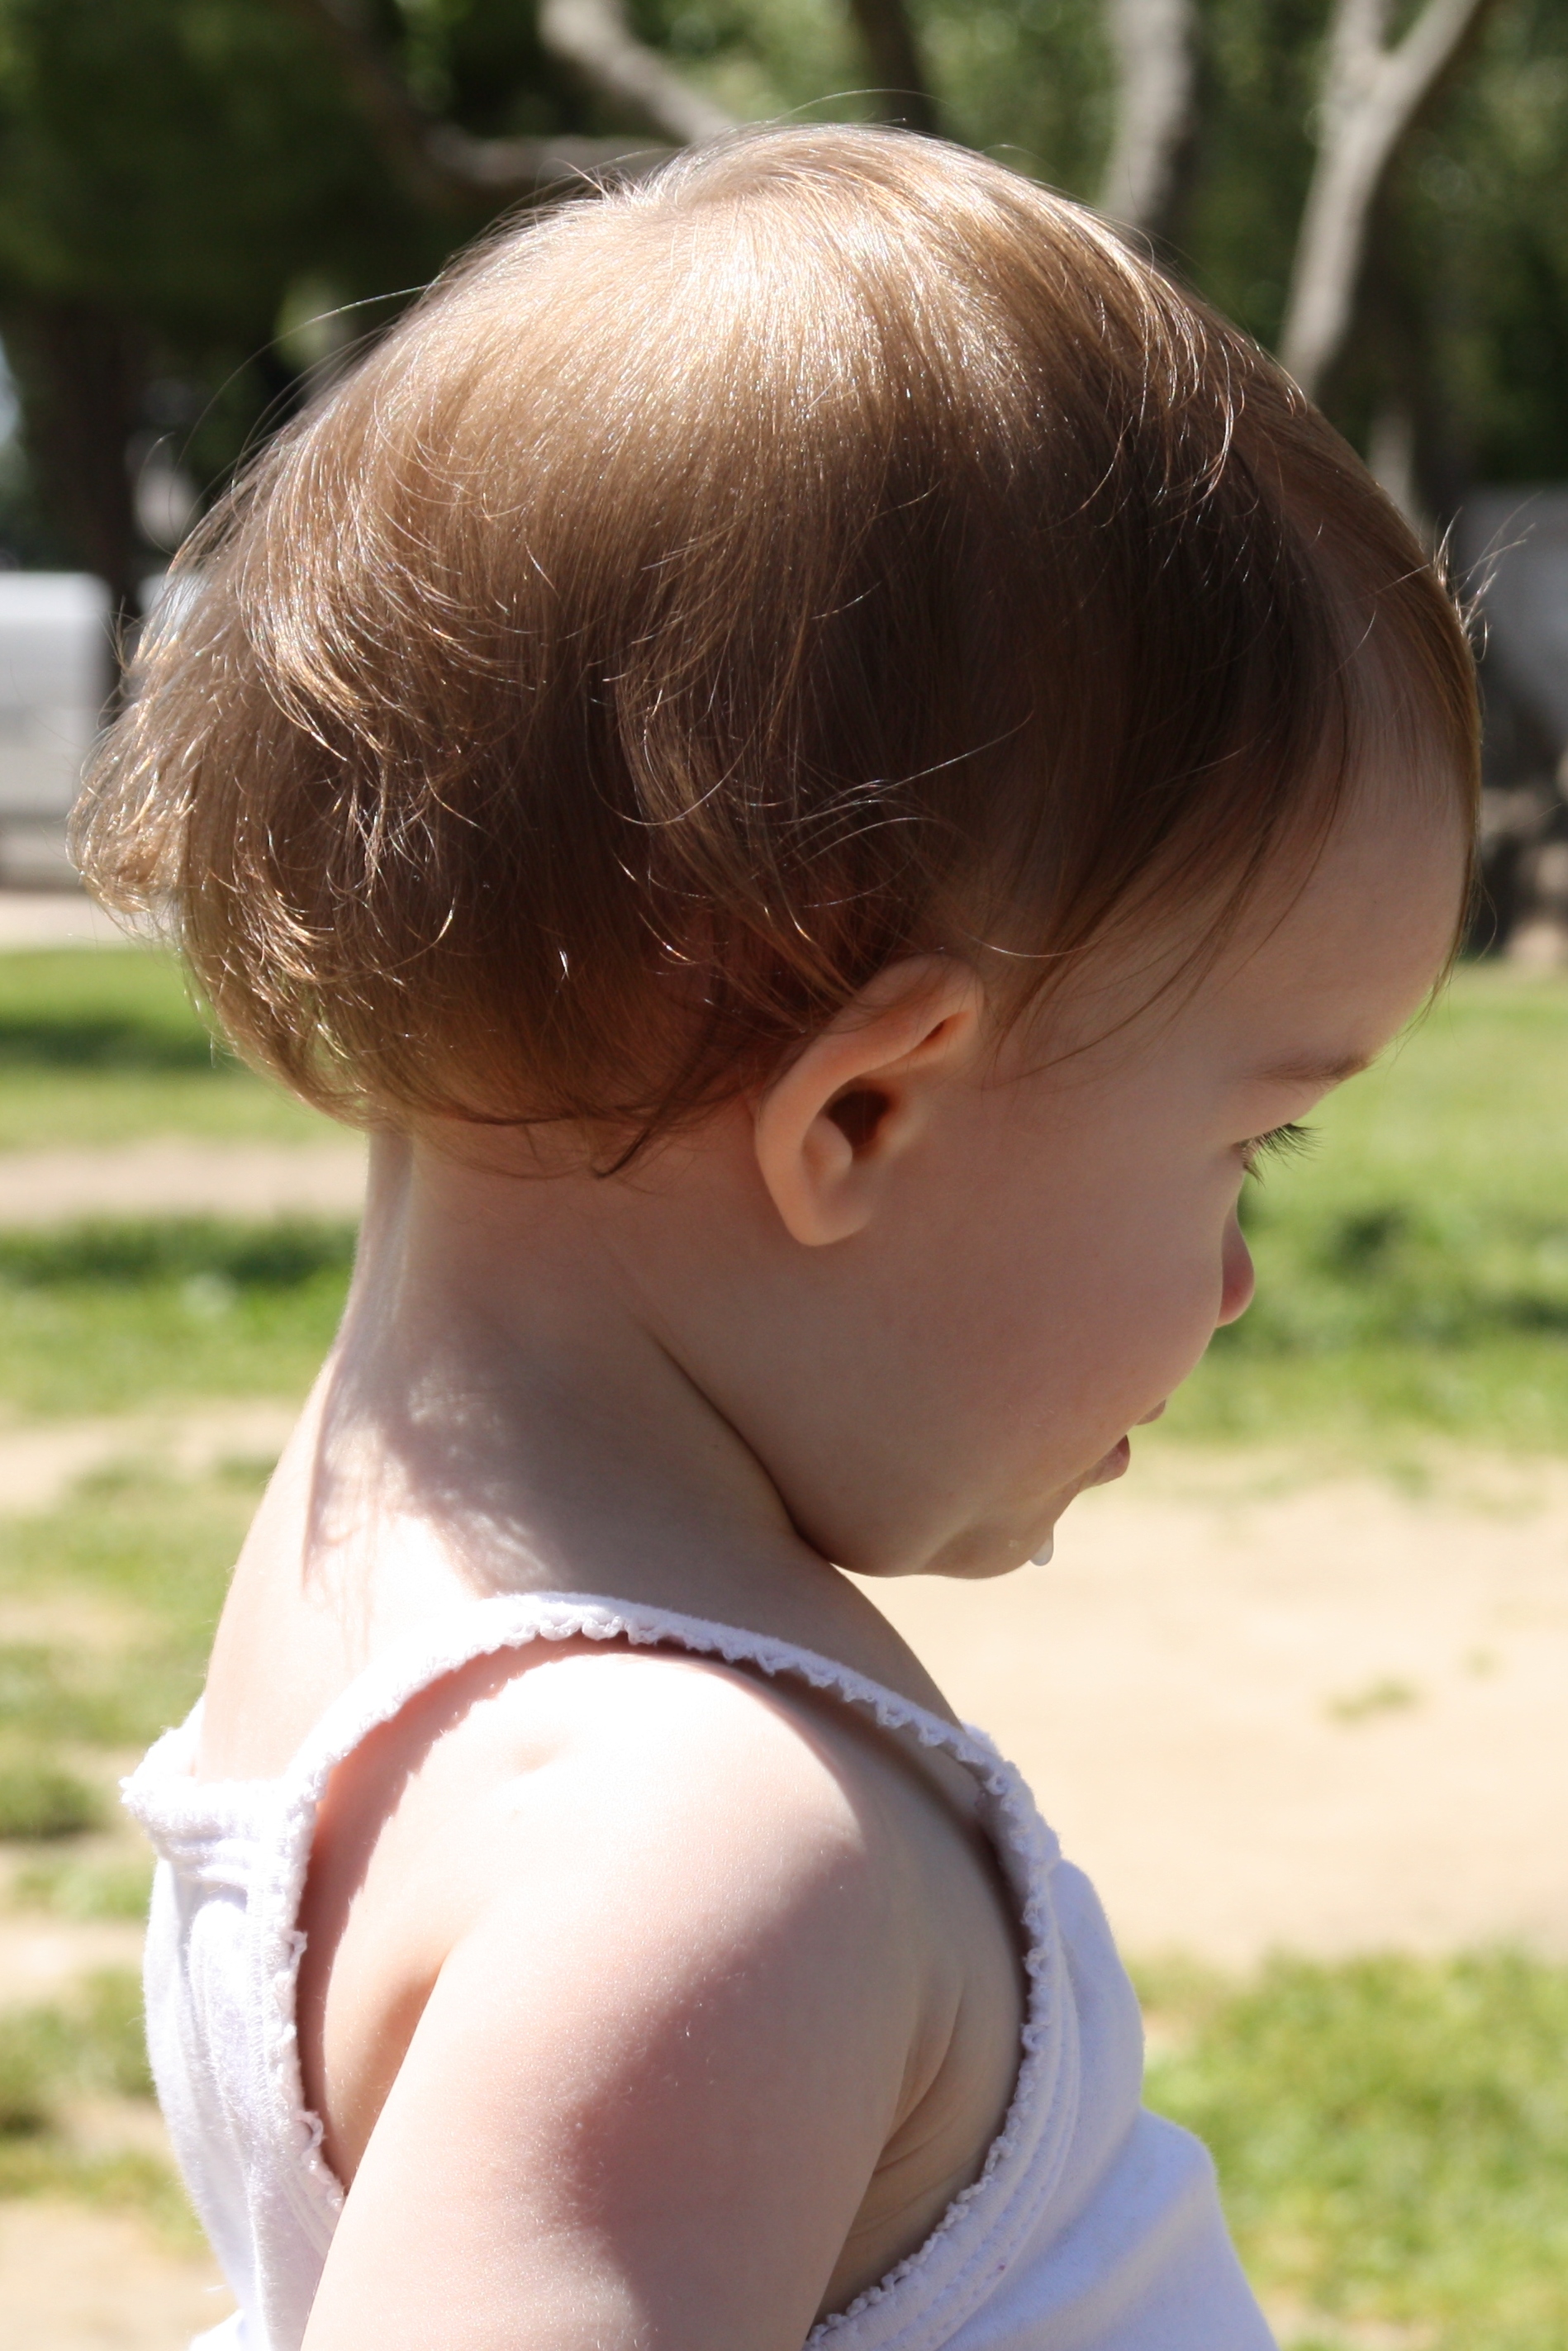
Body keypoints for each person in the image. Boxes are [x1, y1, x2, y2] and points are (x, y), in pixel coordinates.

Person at [82, 126, 1476, 2351]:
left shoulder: (362, 1614)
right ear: (859, 1109)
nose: (1237, 1285)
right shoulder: (700, 1857)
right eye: (1254, 1145)